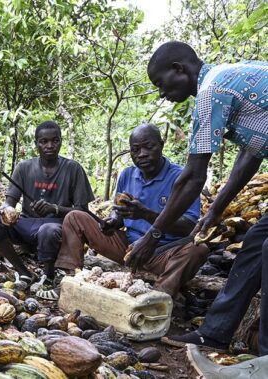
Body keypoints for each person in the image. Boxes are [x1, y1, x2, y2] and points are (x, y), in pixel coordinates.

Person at [132, 41, 267, 356]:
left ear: (179, 69)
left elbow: (193, 177)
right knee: (255, 246)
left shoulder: (210, 91)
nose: (162, 94)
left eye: (161, 84)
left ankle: (265, 356)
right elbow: (252, 154)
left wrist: (153, 235)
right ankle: (215, 334)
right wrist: (216, 210)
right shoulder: (226, 78)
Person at [54, 123, 209, 297]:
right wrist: (113, 221)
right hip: (129, 248)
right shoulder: (127, 174)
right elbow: (119, 212)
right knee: (75, 217)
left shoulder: (181, 178)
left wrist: (146, 214)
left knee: (198, 250)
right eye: (135, 150)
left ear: (161, 145)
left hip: (164, 252)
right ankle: (68, 278)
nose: (142, 154)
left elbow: (188, 226)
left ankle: (157, 298)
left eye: (149, 147)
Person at [0, 121, 94, 280]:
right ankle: (23, 272)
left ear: (60, 142)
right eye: (44, 141)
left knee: (47, 230)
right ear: (36, 144)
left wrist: (54, 209)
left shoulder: (73, 168)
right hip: (27, 223)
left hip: (57, 226)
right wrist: (5, 210)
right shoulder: (24, 167)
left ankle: (48, 277)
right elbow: (10, 202)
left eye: (55, 141)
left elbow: (82, 211)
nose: (50, 145)